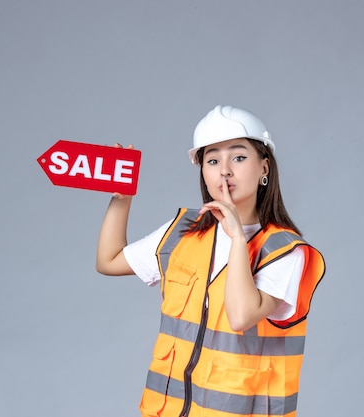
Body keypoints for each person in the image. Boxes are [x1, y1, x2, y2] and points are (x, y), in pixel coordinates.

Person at [96, 105, 325, 417]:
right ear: (202, 170)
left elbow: (242, 316)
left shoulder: (284, 250)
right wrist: (121, 198)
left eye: (239, 157)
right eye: (213, 160)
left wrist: (237, 239)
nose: (225, 170)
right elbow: (109, 261)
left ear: (264, 168)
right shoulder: (183, 231)